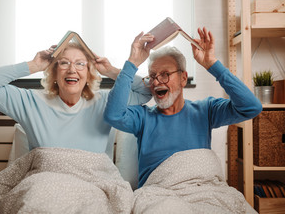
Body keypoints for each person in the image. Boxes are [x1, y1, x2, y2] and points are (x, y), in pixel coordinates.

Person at [104, 27, 263, 188]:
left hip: (201, 191)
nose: (157, 81)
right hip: (157, 195)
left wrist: (212, 65)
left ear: (183, 78)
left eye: (165, 74)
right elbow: (113, 115)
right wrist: (132, 62)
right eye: (152, 76)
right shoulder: (143, 117)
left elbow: (251, 107)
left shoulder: (206, 110)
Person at [0, 41, 152, 157]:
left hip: (92, 187)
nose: (72, 70)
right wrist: (34, 65)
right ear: (54, 72)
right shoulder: (30, 102)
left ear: (89, 73)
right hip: (45, 187)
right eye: (64, 63)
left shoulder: (107, 102)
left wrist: (110, 71)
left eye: (80, 64)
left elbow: (146, 91)